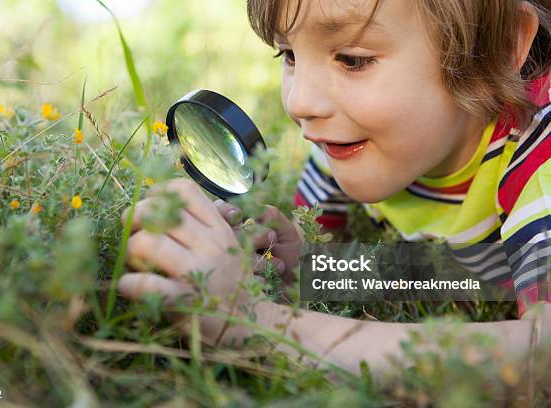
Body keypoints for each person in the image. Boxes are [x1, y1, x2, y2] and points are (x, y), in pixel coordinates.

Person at [118, 0, 551, 374]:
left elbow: (540, 357)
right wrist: (308, 270)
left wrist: (256, 323)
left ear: (500, 46)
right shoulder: (345, 144)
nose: (300, 102)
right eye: (289, 55)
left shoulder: (539, 161)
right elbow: (467, 274)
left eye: (352, 59)